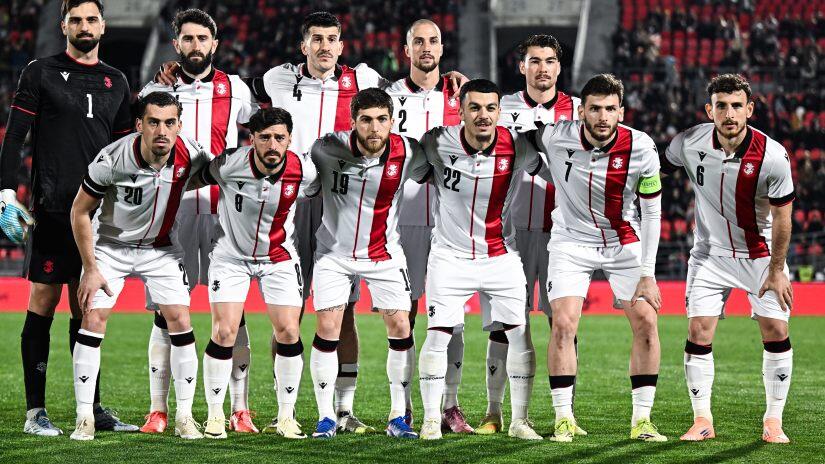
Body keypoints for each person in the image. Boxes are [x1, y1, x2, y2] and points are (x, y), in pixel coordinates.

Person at [0, 0, 135, 436]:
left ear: (103, 26)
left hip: (99, 215)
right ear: (63, 26)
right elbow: (15, 137)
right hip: (54, 209)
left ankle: (92, 409)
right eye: (76, 19)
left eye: (91, 19)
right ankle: (35, 413)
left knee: (88, 308)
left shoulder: (117, 80)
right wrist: (6, 193)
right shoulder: (39, 72)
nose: (84, 25)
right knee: (43, 303)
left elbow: (126, 152)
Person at [137, 8, 259, 435]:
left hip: (226, 213)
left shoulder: (236, 89)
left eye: (202, 38)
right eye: (187, 39)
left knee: (235, 313)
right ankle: (158, 410)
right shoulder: (156, 90)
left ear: (215, 43)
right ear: (176, 44)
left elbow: (262, 133)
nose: (195, 46)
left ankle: (240, 409)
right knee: (166, 311)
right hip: (174, 213)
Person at [68, 91, 211, 440]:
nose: (162, 131)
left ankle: (184, 417)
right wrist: (90, 268)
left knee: (180, 320)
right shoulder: (112, 159)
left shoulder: (192, 154)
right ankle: (84, 418)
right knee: (93, 318)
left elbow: (206, 176)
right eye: (153, 122)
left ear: (179, 125)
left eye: (169, 122)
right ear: (139, 125)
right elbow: (79, 211)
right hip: (110, 246)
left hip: (160, 248)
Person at [663, 74, 796, 444]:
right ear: (710, 110)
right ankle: (702, 420)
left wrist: (777, 270)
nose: (729, 113)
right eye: (721, 106)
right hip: (710, 255)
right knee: (698, 331)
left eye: (737, 105)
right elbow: (657, 169)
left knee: (776, 331)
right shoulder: (688, 142)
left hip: (760, 256)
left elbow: (783, 218)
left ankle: (773, 421)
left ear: (749, 109)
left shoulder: (772, 156)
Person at [537, 74, 665, 442]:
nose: (603, 117)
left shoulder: (642, 147)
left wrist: (648, 273)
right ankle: (563, 418)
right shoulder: (555, 136)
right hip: (571, 241)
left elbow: (652, 213)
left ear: (621, 111)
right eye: (595, 109)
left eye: (611, 109)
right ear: (581, 111)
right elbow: (519, 141)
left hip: (623, 241)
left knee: (646, 322)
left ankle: (642, 420)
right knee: (563, 324)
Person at [417, 79, 544, 441]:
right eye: (474, 107)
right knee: (438, 335)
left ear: (500, 112)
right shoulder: (436, 142)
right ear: (460, 111)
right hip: (449, 256)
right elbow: (413, 171)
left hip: (500, 256)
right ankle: (431, 419)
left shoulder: (518, 146)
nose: (483, 115)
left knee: (519, 335)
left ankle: (519, 421)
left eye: (490, 108)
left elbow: (551, 171)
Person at [307, 88, 430, 439]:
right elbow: (305, 184)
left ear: (392, 121)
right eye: (366, 120)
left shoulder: (409, 153)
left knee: (401, 327)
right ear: (353, 122)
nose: (374, 128)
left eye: (381, 120)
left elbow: (438, 173)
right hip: (334, 255)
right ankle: (327, 417)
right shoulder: (325, 149)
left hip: (384, 255)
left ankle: (398, 416)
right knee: (328, 327)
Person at [196, 107, 317, 439]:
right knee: (224, 331)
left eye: (280, 137)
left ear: (289, 139)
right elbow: (195, 178)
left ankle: (286, 417)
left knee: (289, 331)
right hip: (231, 256)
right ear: (252, 139)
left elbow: (319, 191)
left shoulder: (304, 170)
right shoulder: (228, 163)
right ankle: (215, 415)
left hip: (278, 257)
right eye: (265, 138)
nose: (272, 145)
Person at [485, 33, 583, 436]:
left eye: (550, 61)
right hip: (508, 232)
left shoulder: (579, 109)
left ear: (559, 67)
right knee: (504, 323)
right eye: (535, 61)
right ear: (521, 66)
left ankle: (566, 414)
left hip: (564, 234)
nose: (543, 68)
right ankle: (494, 411)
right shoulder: (500, 107)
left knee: (564, 324)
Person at [384, 18, 463, 431]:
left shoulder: (462, 96)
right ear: (407, 49)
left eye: (433, 41)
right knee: (405, 316)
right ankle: (405, 406)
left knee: (453, 318)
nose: (426, 47)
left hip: (452, 221)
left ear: (442, 48)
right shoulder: (388, 97)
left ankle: (450, 406)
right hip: (402, 220)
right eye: (419, 41)